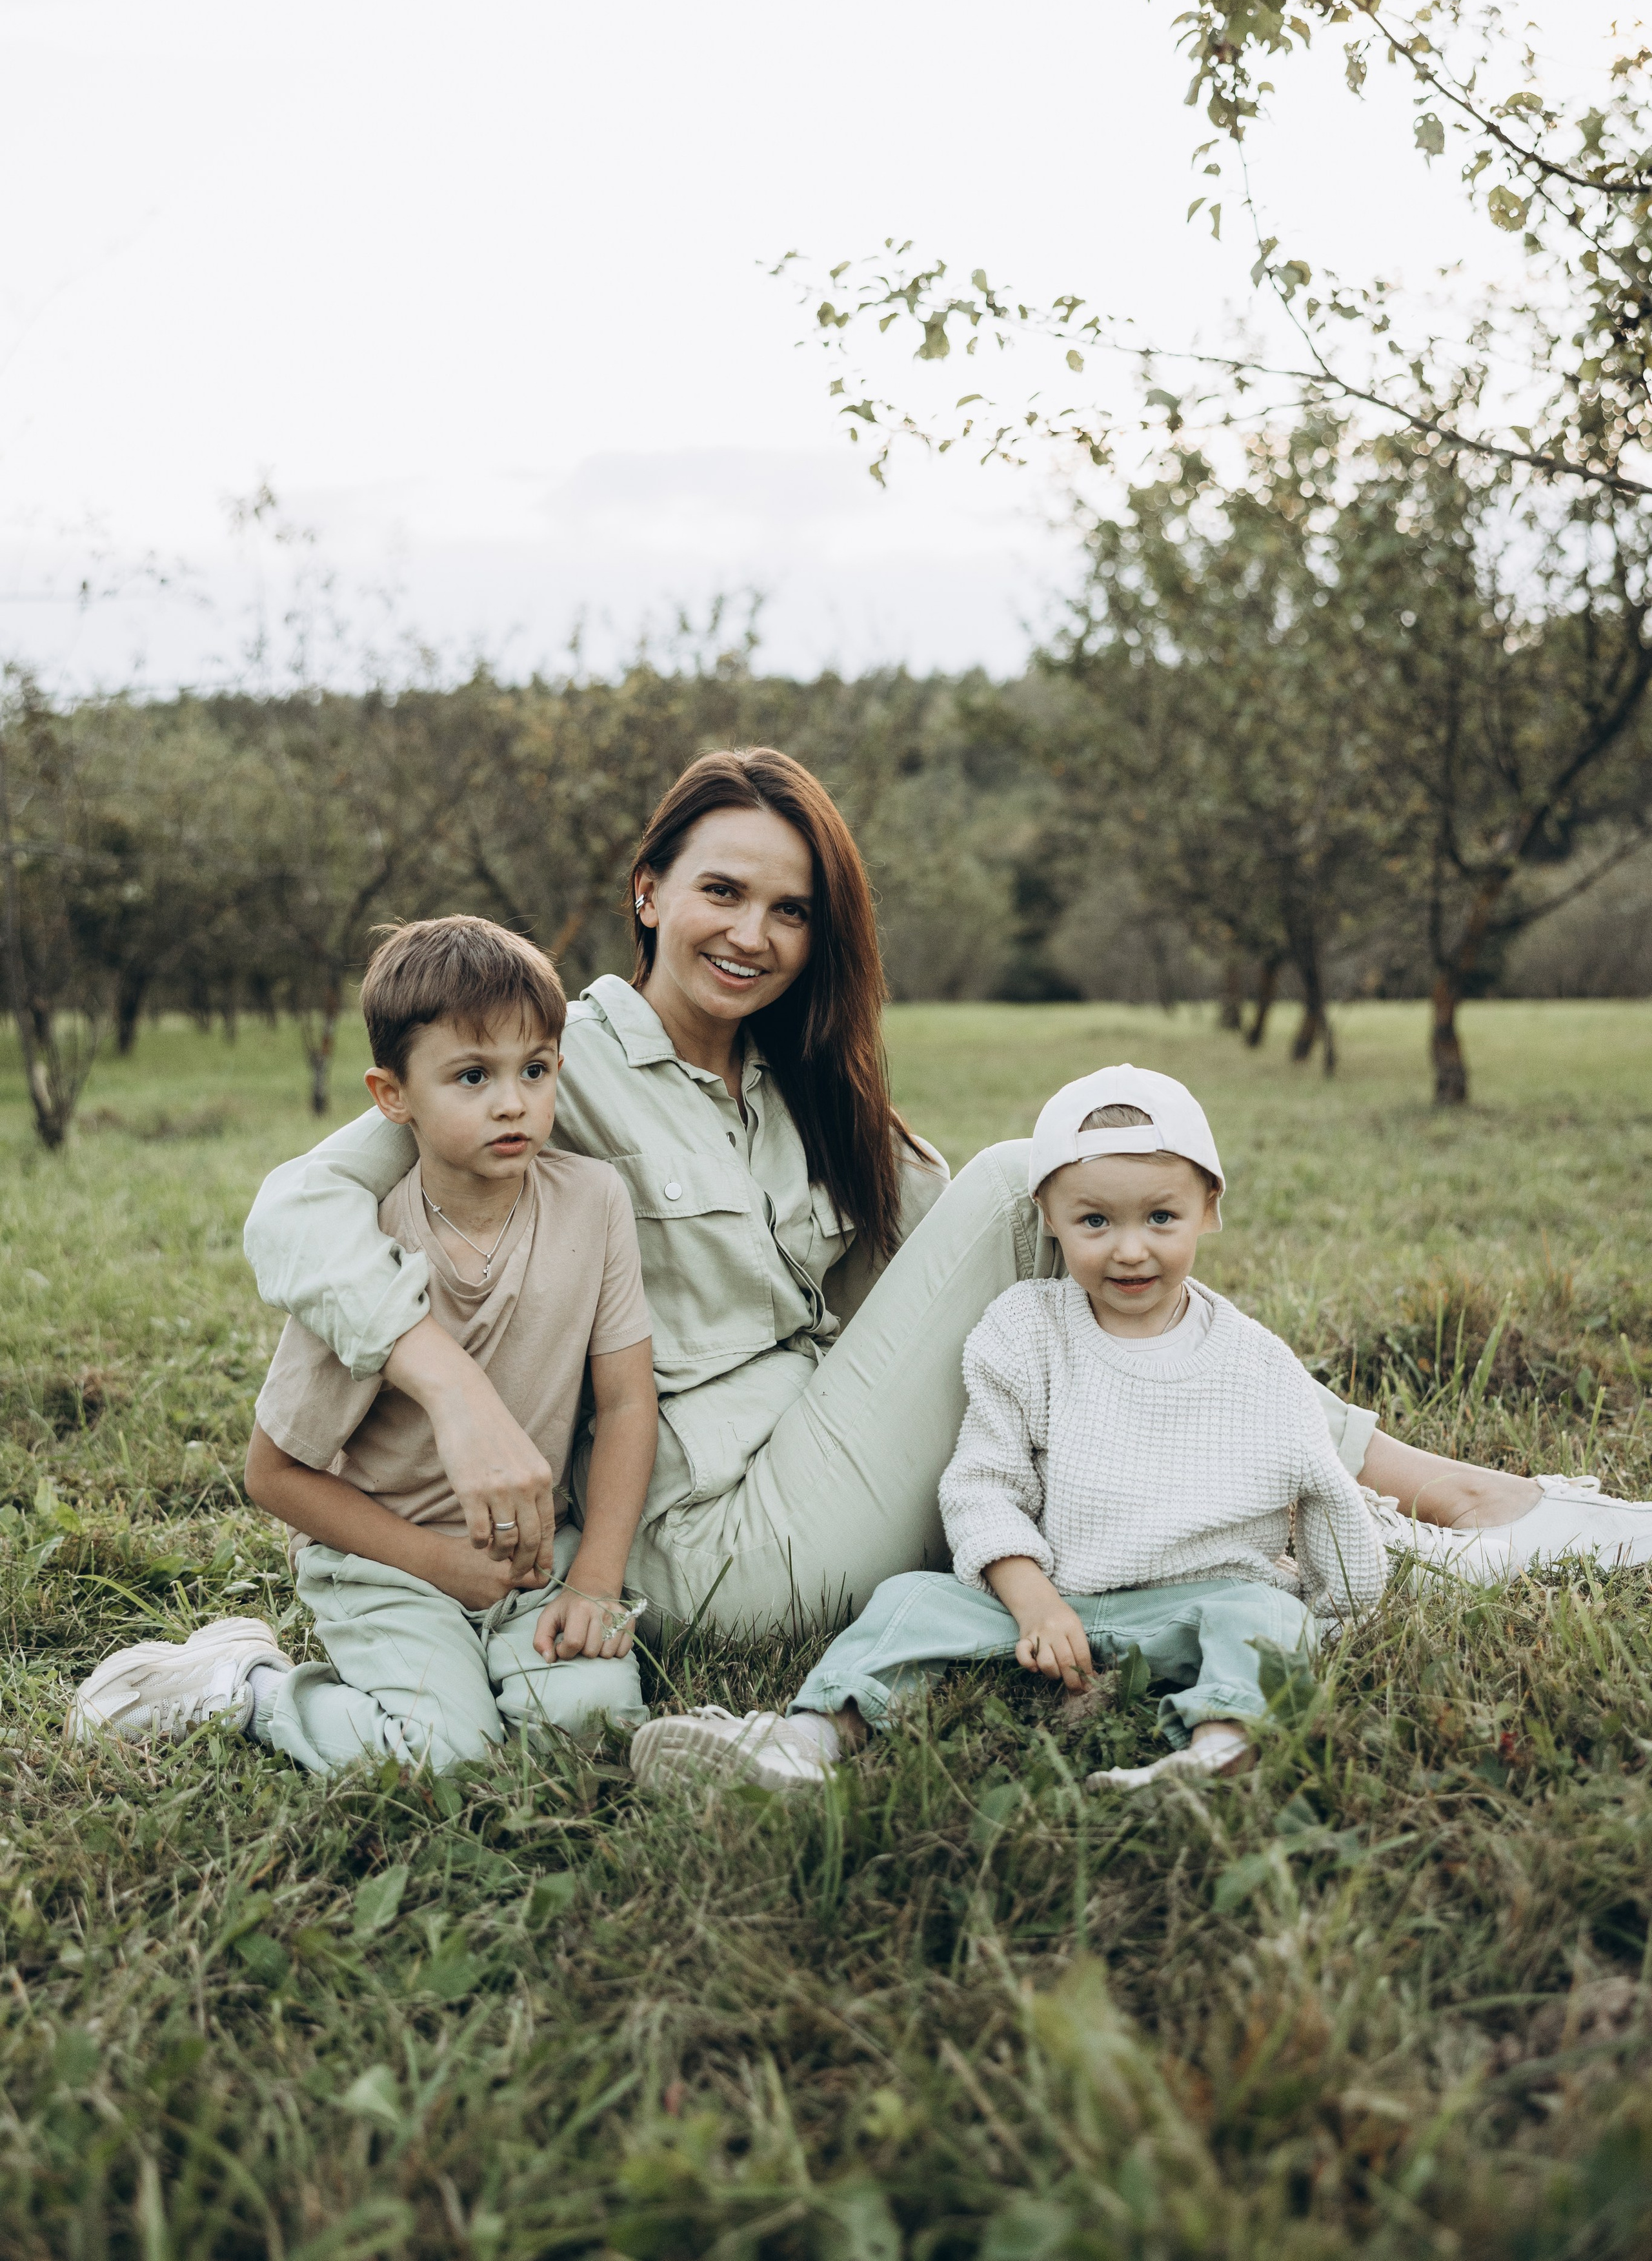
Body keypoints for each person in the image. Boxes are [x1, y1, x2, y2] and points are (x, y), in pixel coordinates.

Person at [236, 749, 1652, 1649]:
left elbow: (988, 1268)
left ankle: (1353, 1497)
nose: (753, 935)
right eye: (722, 892)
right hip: (718, 1533)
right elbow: (291, 1213)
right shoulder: (552, 1065)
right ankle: (1436, 1492)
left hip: (835, 1447)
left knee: (1053, 1234)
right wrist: (454, 1392)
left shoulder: (792, 1084)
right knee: (1030, 1185)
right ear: (648, 891)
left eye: (792, 911)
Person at [630, 1068, 1388, 1793]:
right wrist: (1034, 1602)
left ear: (1208, 1209)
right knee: (908, 1602)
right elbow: (984, 1484)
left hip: (1194, 1605)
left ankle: (1219, 1748)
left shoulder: (1256, 1360)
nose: (1129, 1248)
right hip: (1047, 1598)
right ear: (1048, 1217)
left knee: (1267, 1617)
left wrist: (1341, 1606)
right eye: (1094, 1221)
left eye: (1161, 1218)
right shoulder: (1024, 1331)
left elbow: (1324, 1491)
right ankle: (809, 1739)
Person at [70, 918, 658, 1769]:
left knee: (591, 1732)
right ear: (392, 1097)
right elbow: (274, 1475)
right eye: (472, 1075)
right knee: (446, 1758)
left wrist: (596, 1580)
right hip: (386, 1564)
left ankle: (506, 1666)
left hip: (539, 1558)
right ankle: (248, 1688)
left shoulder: (594, 1201)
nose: (512, 1102)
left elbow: (628, 1401)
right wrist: (441, 1565)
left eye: (535, 1069)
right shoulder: (360, 1255)